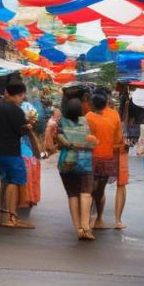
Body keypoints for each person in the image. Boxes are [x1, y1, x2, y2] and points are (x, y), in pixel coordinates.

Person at [0, 80, 34, 229]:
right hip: (11, 152)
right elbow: (21, 131)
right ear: (20, 94)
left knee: (6, 181)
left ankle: (3, 214)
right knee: (14, 182)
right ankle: (11, 217)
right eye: (22, 96)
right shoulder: (16, 110)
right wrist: (29, 125)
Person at [55, 98, 98, 240]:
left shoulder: (61, 121)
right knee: (86, 193)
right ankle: (86, 227)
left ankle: (78, 228)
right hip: (84, 162)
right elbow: (92, 142)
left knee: (72, 194)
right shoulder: (85, 121)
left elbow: (60, 140)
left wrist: (71, 144)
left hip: (67, 162)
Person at [87, 92, 124, 230]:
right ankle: (99, 219)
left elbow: (85, 138)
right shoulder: (114, 115)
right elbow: (118, 138)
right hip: (107, 158)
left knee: (89, 190)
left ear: (92, 104)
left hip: (91, 159)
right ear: (106, 102)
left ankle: (88, 219)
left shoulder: (88, 117)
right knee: (99, 191)